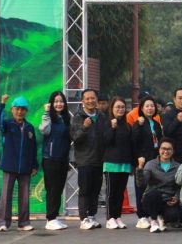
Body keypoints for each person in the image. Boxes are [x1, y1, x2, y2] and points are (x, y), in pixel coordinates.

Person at [0, 94, 37, 232]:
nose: (20, 112)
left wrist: (34, 165)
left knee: (24, 197)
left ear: (26, 111)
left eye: (23, 109)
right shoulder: (7, 125)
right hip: (9, 166)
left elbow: (33, 148)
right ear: (12, 109)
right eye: (17, 109)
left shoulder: (30, 127)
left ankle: (23, 223)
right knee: (6, 196)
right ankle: (3, 223)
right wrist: (2, 103)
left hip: (25, 167)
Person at [71, 88, 109, 230]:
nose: (90, 101)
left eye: (93, 98)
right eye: (87, 98)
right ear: (83, 101)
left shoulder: (102, 116)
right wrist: (84, 127)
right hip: (84, 159)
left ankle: (92, 215)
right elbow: (74, 137)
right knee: (85, 190)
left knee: (95, 190)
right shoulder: (78, 117)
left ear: (96, 100)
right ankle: (84, 218)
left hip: (99, 159)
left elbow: (106, 136)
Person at [135, 137, 182, 233]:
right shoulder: (150, 164)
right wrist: (140, 168)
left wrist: (177, 197)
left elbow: (180, 186)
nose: (166, 151)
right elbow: (141, 184)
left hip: (168, 200)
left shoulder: (178, 166)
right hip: (152, 199)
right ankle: (154, 221)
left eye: (169, 149)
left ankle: (161, 219)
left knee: (175, 215)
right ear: (159, 149)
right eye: (163, 148)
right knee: (154, 193)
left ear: (173, 151)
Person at [39, 91, 71, 230]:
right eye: (56, 101)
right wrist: (46, 113)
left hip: (63, 158)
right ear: (51, 104)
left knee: (58, 189)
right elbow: (44, 131)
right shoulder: (48, 117)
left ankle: (54, 217)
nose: (59, 104)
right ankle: (50, 219)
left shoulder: (65, 118)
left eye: (61, 101)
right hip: (50, 159)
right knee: (52, 189)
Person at [131, 95, 164, 228]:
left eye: (152, 106)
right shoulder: (139, 122)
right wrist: (138, 159)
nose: (150, 108)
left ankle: (153, 215)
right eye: (147, 106)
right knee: (141, 187)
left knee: (154, 188)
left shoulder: (156, 123)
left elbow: (160, 142)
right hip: (142, 160)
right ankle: (142, 216)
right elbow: (134, 141)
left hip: (155, 159)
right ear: (142, 108)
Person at [102, 97, 134, 229]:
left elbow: (130, 145)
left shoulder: (127, 126)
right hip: (111, 163)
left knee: (120, 193)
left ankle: (117, 216)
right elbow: (106, 141)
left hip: (124, 163)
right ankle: (110, 218)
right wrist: (113, 128)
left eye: (122, 107)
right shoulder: (107, 123)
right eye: (117, 107)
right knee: (112, 192)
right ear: (112, 109)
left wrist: (132, 164)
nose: (120, 109)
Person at [161, 87, 182, 163]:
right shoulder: (167, 115)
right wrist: (177, 121)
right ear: (174, 99)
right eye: (180, 98)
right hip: (173, 157)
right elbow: (167, 132)